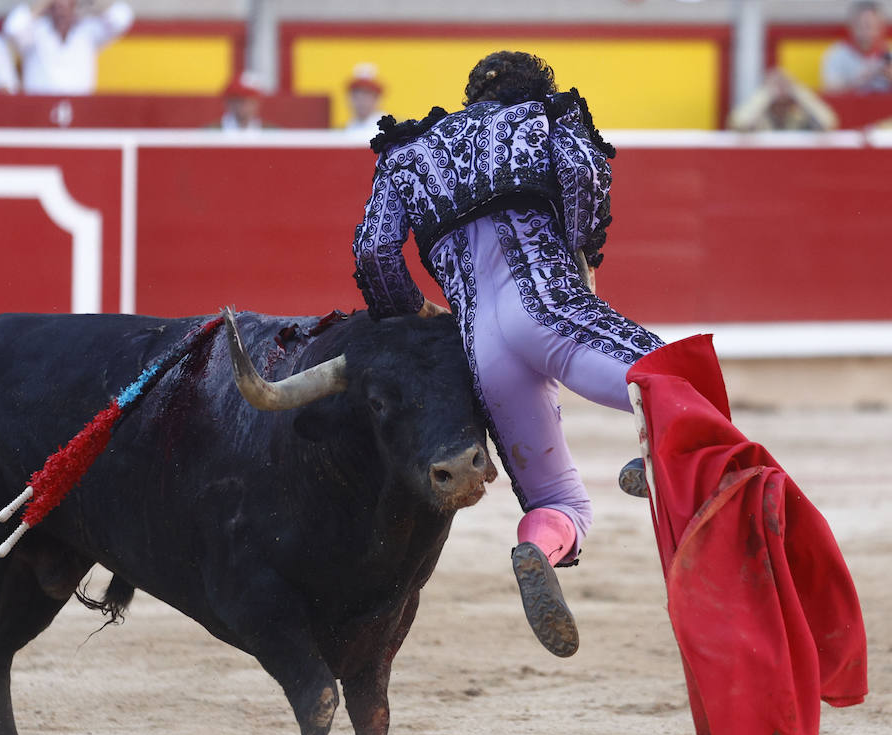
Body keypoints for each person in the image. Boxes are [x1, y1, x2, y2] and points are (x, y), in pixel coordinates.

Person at [353, 50, 662, 656]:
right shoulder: (545, 119)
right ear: (534, 89)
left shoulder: (408, 154)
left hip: (481, 349)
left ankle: (537, 548)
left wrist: (415, 313)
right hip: (551, 310)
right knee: (678, 377)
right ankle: (660, 456)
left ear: (472, 96)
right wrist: (582, 254)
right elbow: (581, 172)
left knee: (558, 500)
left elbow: (374, 253)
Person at [3, 0, 133, 95]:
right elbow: (12, 28)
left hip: (81, 114)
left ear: (75, 6)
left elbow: (122, 19)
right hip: (38, 115)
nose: (62, 12)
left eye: (67, 5)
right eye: (57, 6)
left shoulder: (88, 31)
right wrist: (43, 4)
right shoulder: (34, 32)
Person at [820, 0, 892, 94]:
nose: (865, 31)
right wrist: (862, 78)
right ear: (851, 26)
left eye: (870, 25)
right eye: (860, 25)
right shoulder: (836, 54)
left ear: (881, 27)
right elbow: (831, 93)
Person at [728, 68, 838, 131]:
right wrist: (767, 93)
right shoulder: (759, 117)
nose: (782, 106)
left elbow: (828, 123)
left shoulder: (800, 116)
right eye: (778, 103)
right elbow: (740, 124)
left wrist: (798, 92)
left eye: (785, 103)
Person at [342, 63, 385, 141]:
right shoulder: (349, 126)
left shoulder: (387, 128)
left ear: (376, 99)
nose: (361, 101)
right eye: (356, 96)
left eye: (366, 95)